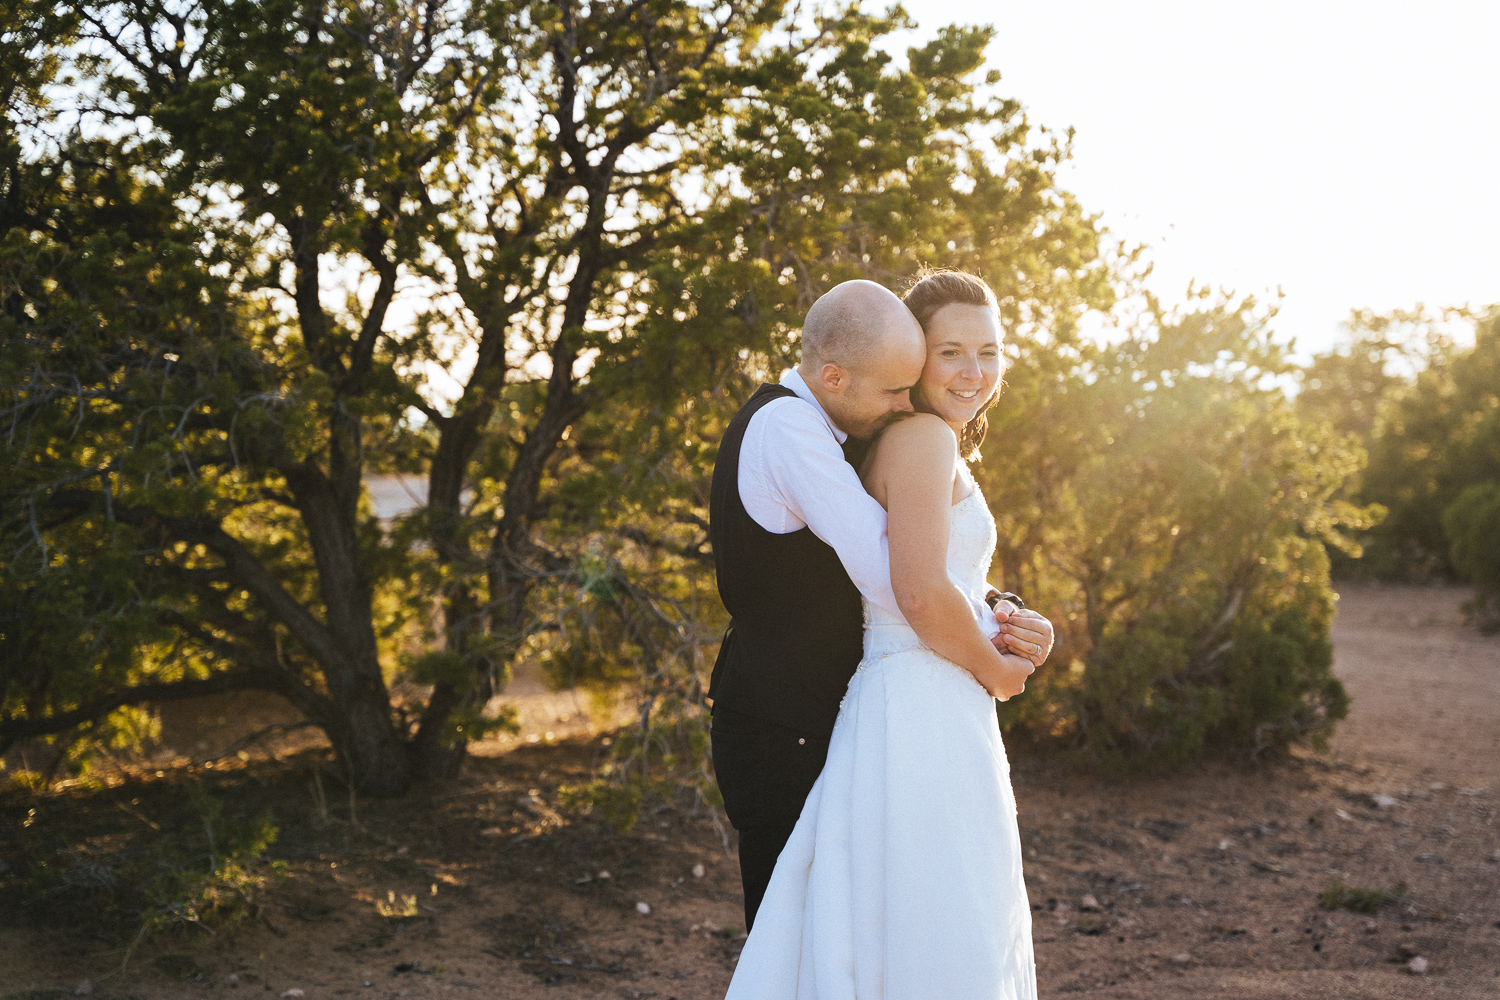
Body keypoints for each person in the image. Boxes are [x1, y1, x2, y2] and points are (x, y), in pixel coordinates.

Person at [722, 270, 1039, 998]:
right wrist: (1000, 670)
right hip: (913, 699)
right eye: (949, 351)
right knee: (934, 914)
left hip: (894, 698)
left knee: (864, 919)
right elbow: (916, 591)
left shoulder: (892, 440)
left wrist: (1007, 613)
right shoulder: (901, 437)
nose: (972, 370)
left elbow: (921, 570)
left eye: (989, 351)